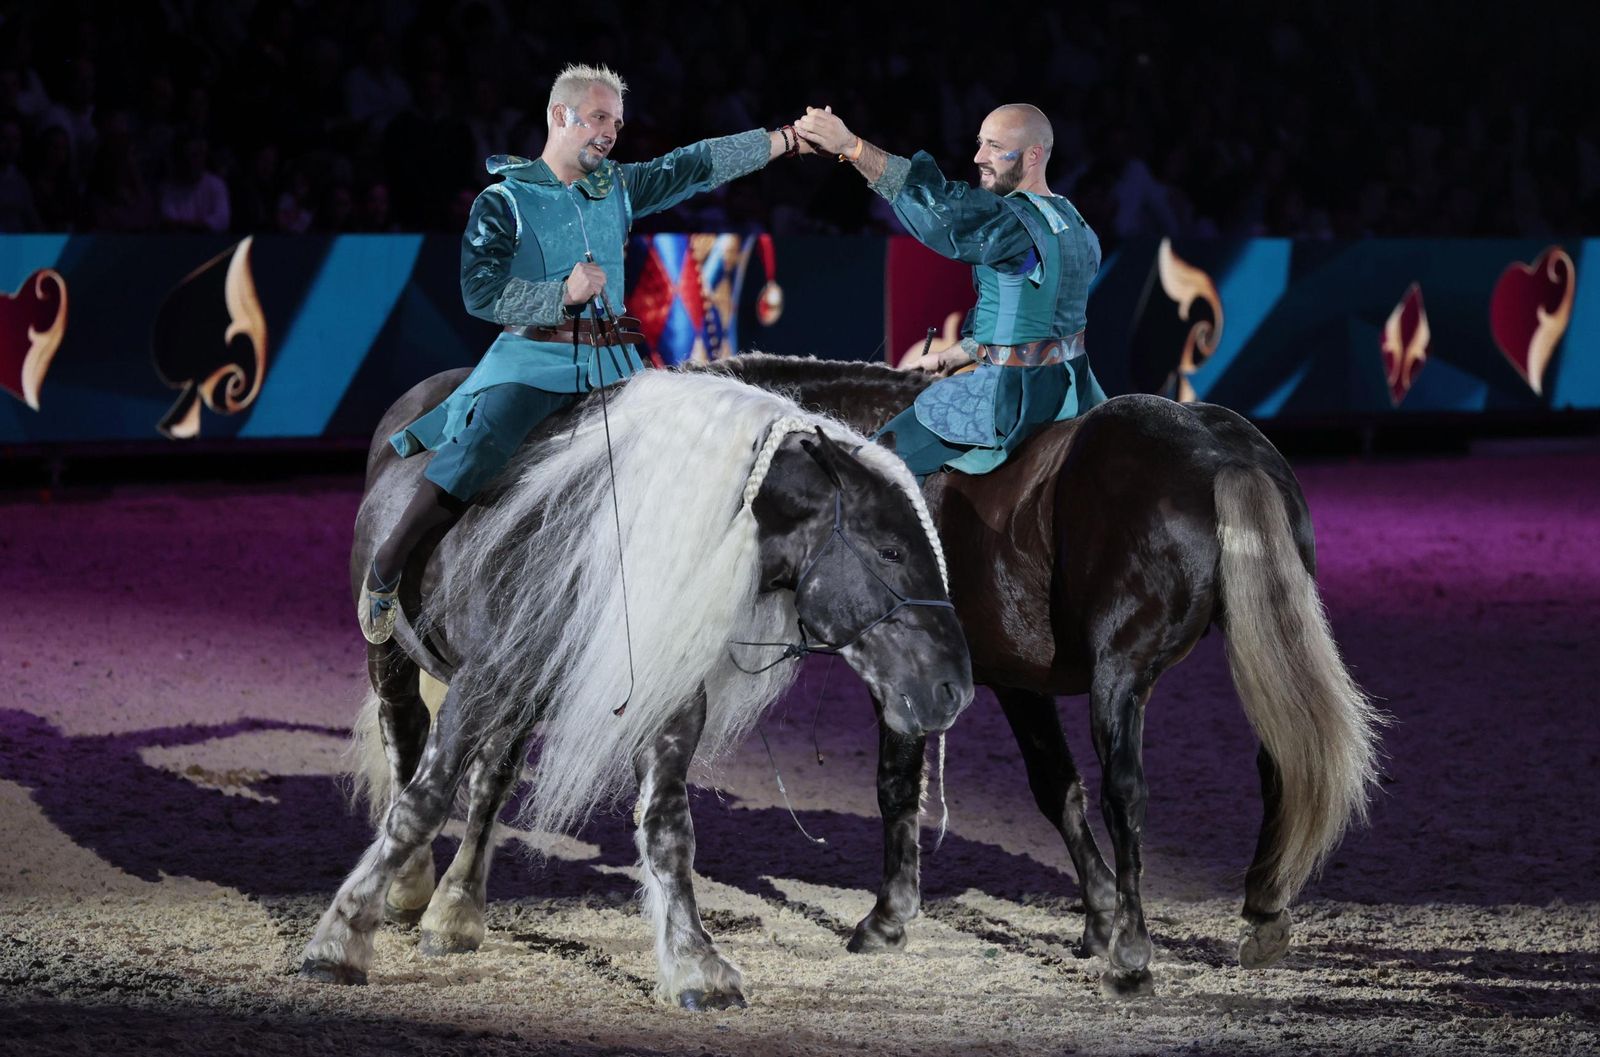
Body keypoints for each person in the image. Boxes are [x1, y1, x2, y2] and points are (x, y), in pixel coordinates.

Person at [360, 63, 810, 643]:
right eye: (599, 118)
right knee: (486, 435)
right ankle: (388, 563)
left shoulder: (617, 187)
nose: (610, 133)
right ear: (559, 115)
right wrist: (560, 295)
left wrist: (786, 141)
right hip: (533, 360)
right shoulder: (506, 201)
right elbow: (481, 292)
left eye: (617, 124)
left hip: (617, 366)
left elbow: (694, 165)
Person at [795, 104, 1107, 480]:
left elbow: (940, 208)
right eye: (979, 143)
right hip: (1075, 387)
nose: (978, 157)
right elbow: (1040, 316)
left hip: (1015, 396)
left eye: (995, 146)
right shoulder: (1075, 222)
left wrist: (851, 146)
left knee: (868, 470)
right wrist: (959, 354)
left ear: (1034, 155)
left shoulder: (1013, 222)